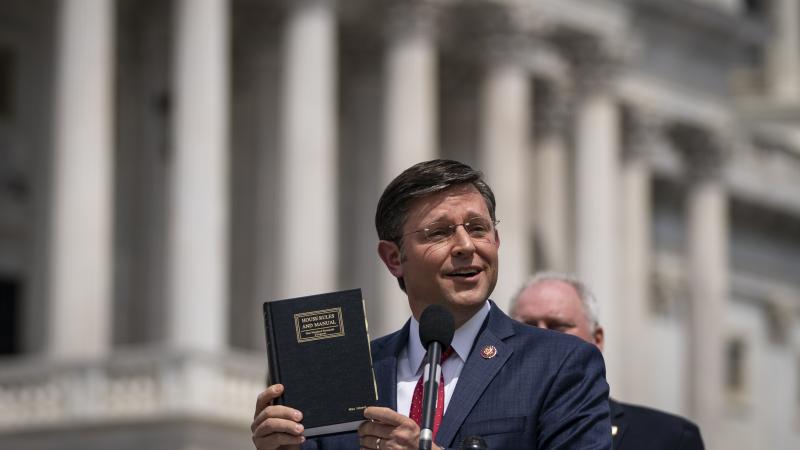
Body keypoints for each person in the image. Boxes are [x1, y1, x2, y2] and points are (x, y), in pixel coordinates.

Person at [252, 160, 611, 450]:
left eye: (478, 228)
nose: (466, 245)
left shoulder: (561, 364)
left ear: (496, 240)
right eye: (439, 233)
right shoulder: (346, 375)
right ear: (393, 258)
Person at [511, 271, 705, 450]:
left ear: (597, 340)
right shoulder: (484, 426)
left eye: (558, 326)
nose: (541, 337)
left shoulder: (670, 438)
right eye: (527, 326)